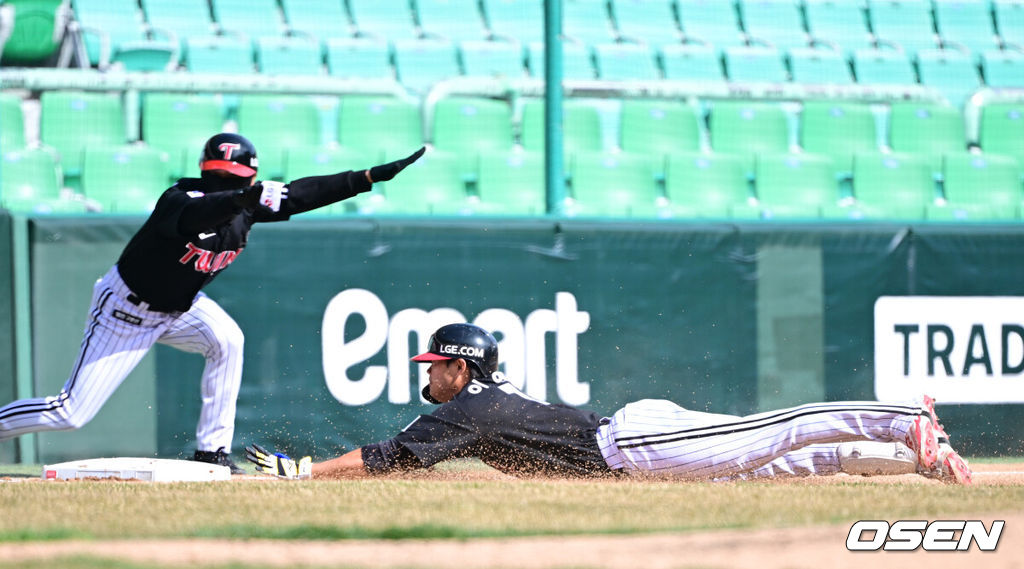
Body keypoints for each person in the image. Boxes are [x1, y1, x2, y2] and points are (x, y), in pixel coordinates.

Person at [0, 133, 425, 474]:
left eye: (233, 177)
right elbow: (198, 216)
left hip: (181, 309)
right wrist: (240, 198)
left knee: (227, 340)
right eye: (218, 176)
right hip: (127, 311)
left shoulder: (247, 207)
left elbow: (302, 194)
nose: (226, 182)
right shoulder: (179, 199)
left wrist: (366, 177)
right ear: (204, 171)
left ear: (249, 176)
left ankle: (212, 453)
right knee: (70, 413)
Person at [247, 323, 972, 484]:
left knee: (777, 432)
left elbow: (390, 458)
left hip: (635, 445)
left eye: (434, 365)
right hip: (637, 450)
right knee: (784, 465)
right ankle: (923, 462)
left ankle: (903, 419)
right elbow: (402, 453)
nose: (427, 375)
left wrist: (305, 472)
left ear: (461, 368)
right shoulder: (476, 403)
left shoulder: (466, 408)